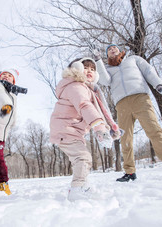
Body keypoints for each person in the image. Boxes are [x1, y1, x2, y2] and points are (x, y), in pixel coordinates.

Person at [91, 43, 162, 182]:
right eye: (108, 50)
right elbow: (105, 81)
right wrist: (97, 59)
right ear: (107, 55)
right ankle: (129, 172)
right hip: (121, 103)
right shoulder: (108, 69)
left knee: (154, 131)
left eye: (114, 48)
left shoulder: (133, 59)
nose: (112, 50)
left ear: (119, 50)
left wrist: (159, 84)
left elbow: (148, 71)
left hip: (140, 98)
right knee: (125, 137)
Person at [50, 57, 121, 201]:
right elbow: (84, 106)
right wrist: (100, 127)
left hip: (72, 131)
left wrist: (107, 128)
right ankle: (77, 189)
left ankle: (83, 186)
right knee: (83, 158)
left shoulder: (85, 88)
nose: (89, 71)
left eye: (93, 69)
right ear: (76, 69)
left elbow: (93, 109)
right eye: (86, 67)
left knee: (81, 159)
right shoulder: (76, 86)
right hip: (66, 129)